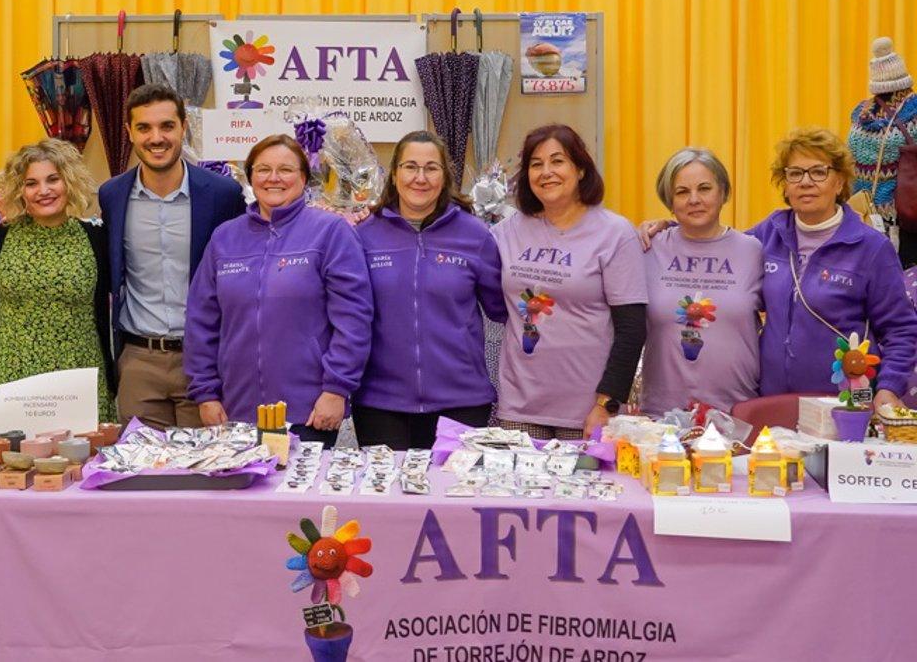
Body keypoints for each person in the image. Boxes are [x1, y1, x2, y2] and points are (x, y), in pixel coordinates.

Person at [641, 129, 917, 408]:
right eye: (795, 173)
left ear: (840, 181)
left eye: (819, 172)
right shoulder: (769, 234)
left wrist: (889, 388)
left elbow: (901, 329)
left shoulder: (870, 247)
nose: (806, 182)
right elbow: (715, 242)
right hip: (770, 405)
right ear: (785, 185)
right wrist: (669, 228)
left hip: (841, 404)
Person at [184, 135, 372, 447]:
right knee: (242, 495)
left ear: (303, 177)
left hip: (308, 411)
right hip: (235, 411)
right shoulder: (224, 238)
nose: (273, 178)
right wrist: (204, 392)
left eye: (285, 169)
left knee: (299, 494)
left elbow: (353, 320)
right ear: (250, 176)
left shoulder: (330, 232)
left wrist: (336, 389)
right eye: (263, 169)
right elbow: (201, 320)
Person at [97, 83, 244, 429]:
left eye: (166, 126)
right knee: (141, 476)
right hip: (138, 362)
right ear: (129, 132)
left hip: (205, 362)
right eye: (144, 127)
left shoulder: (223, 195)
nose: (156, 138)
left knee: (203, 474)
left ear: (183, 128)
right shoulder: (112, 195)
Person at [491, 124, 646, 439]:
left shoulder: (615, 233)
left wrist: (607, 404)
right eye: (536, 164)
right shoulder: (505, 231)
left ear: (581, 170)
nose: (546, 172)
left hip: (588, 411)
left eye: (557, 161)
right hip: (520, 407)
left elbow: (632, 329)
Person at [352, 132, 504, 449]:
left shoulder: (474, 235)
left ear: (445, 176)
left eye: (431, 168)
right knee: (390, 497)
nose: (420, 178)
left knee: (455, 496)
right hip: (381, 402)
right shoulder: (364, 236)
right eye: (410, 167)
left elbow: (502, 308)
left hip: (462, 401)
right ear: (394, 174)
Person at [0, 140, 112, 420]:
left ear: (69, 182)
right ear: (20, 190)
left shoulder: (94, 237)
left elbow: (103, 312)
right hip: (10, 374)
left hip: (77, 375)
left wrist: (111, 379)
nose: (44, 191)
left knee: (79, 461)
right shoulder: (2, 237)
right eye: (31, 183)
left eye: (53, 179)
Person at [638, 148, 762, 416]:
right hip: (661, 414)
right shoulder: (647, 248)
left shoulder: (753, 251)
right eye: (682, 192)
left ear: (723, 193)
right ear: (670, 201)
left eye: (704, 188)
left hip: (737, 412)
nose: (694, 199)